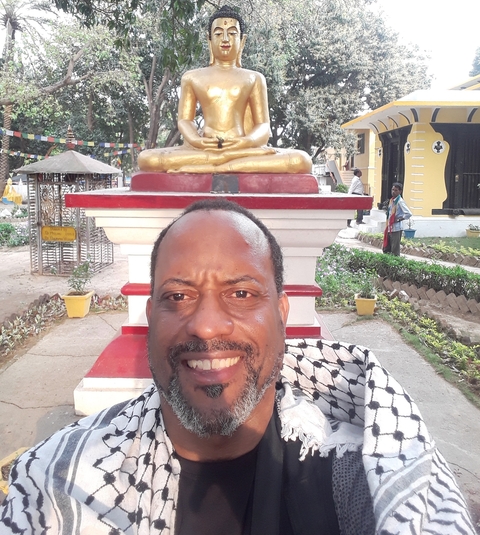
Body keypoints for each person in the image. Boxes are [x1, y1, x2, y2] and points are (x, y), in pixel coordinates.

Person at [1, 200, 474, 535]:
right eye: (178, 296)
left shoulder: (360, 476)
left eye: (242, 294)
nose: (206, 326)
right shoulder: (57, 481)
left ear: (283, 315)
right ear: (151, 317)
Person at [137, 6, 312, 174]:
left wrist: (246, 142)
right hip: (206, 148)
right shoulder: (191, 77)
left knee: (301, 160)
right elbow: (185, 120)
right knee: (147, 159)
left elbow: (263, 126)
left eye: (232, 33)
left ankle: (220, 166)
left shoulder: (254, 78)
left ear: (242, 40)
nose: (226, 39)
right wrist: (197, 140)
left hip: (242, 147)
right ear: (209, 39)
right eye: (219, 33)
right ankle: (229, 163)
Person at [383, 182, 412, 256]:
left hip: (396, 228)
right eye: (392, 189)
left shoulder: (400, 201)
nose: (393, 192)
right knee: (386, 248)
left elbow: (408, 213)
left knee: (394, 250)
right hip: (389, 227)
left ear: (400, 191)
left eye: (396, 190)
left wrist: (399, 219)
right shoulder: (392, 200)